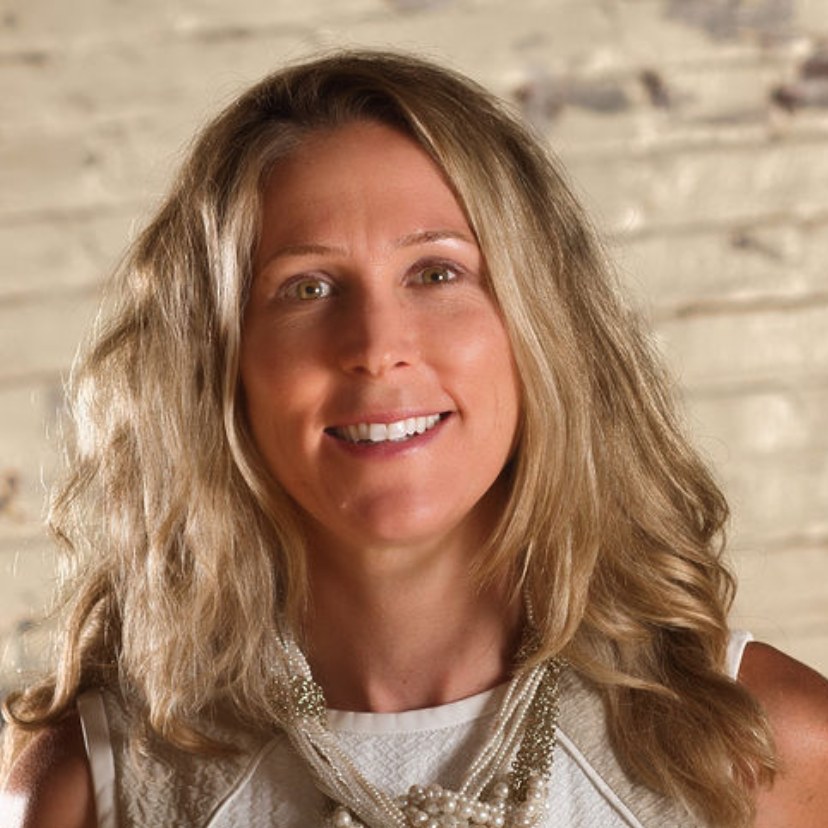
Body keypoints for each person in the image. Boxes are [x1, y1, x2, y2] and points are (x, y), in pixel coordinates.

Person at [1, 49, 827, 828]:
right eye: (306, 287)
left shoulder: (767, 750)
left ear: (539, 326)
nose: (374, 344)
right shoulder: (96, 783)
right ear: (221, 365)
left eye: (436, 273)